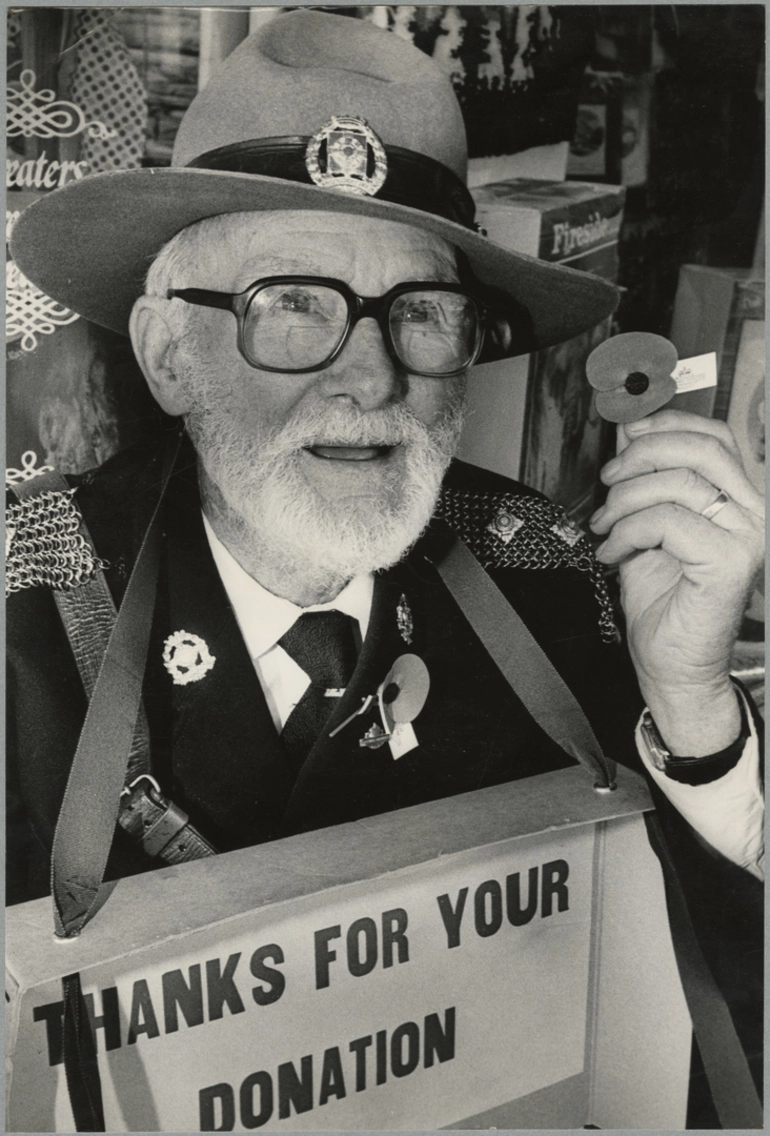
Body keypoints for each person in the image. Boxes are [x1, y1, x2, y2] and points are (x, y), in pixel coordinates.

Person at [7, 7, 763, 1112]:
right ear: (171, 354)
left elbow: (699, 978)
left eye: (419, 312)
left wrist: (691, 703)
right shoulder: (23, 606)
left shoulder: (553, 570)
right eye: (292, 306)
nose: (369, 379)